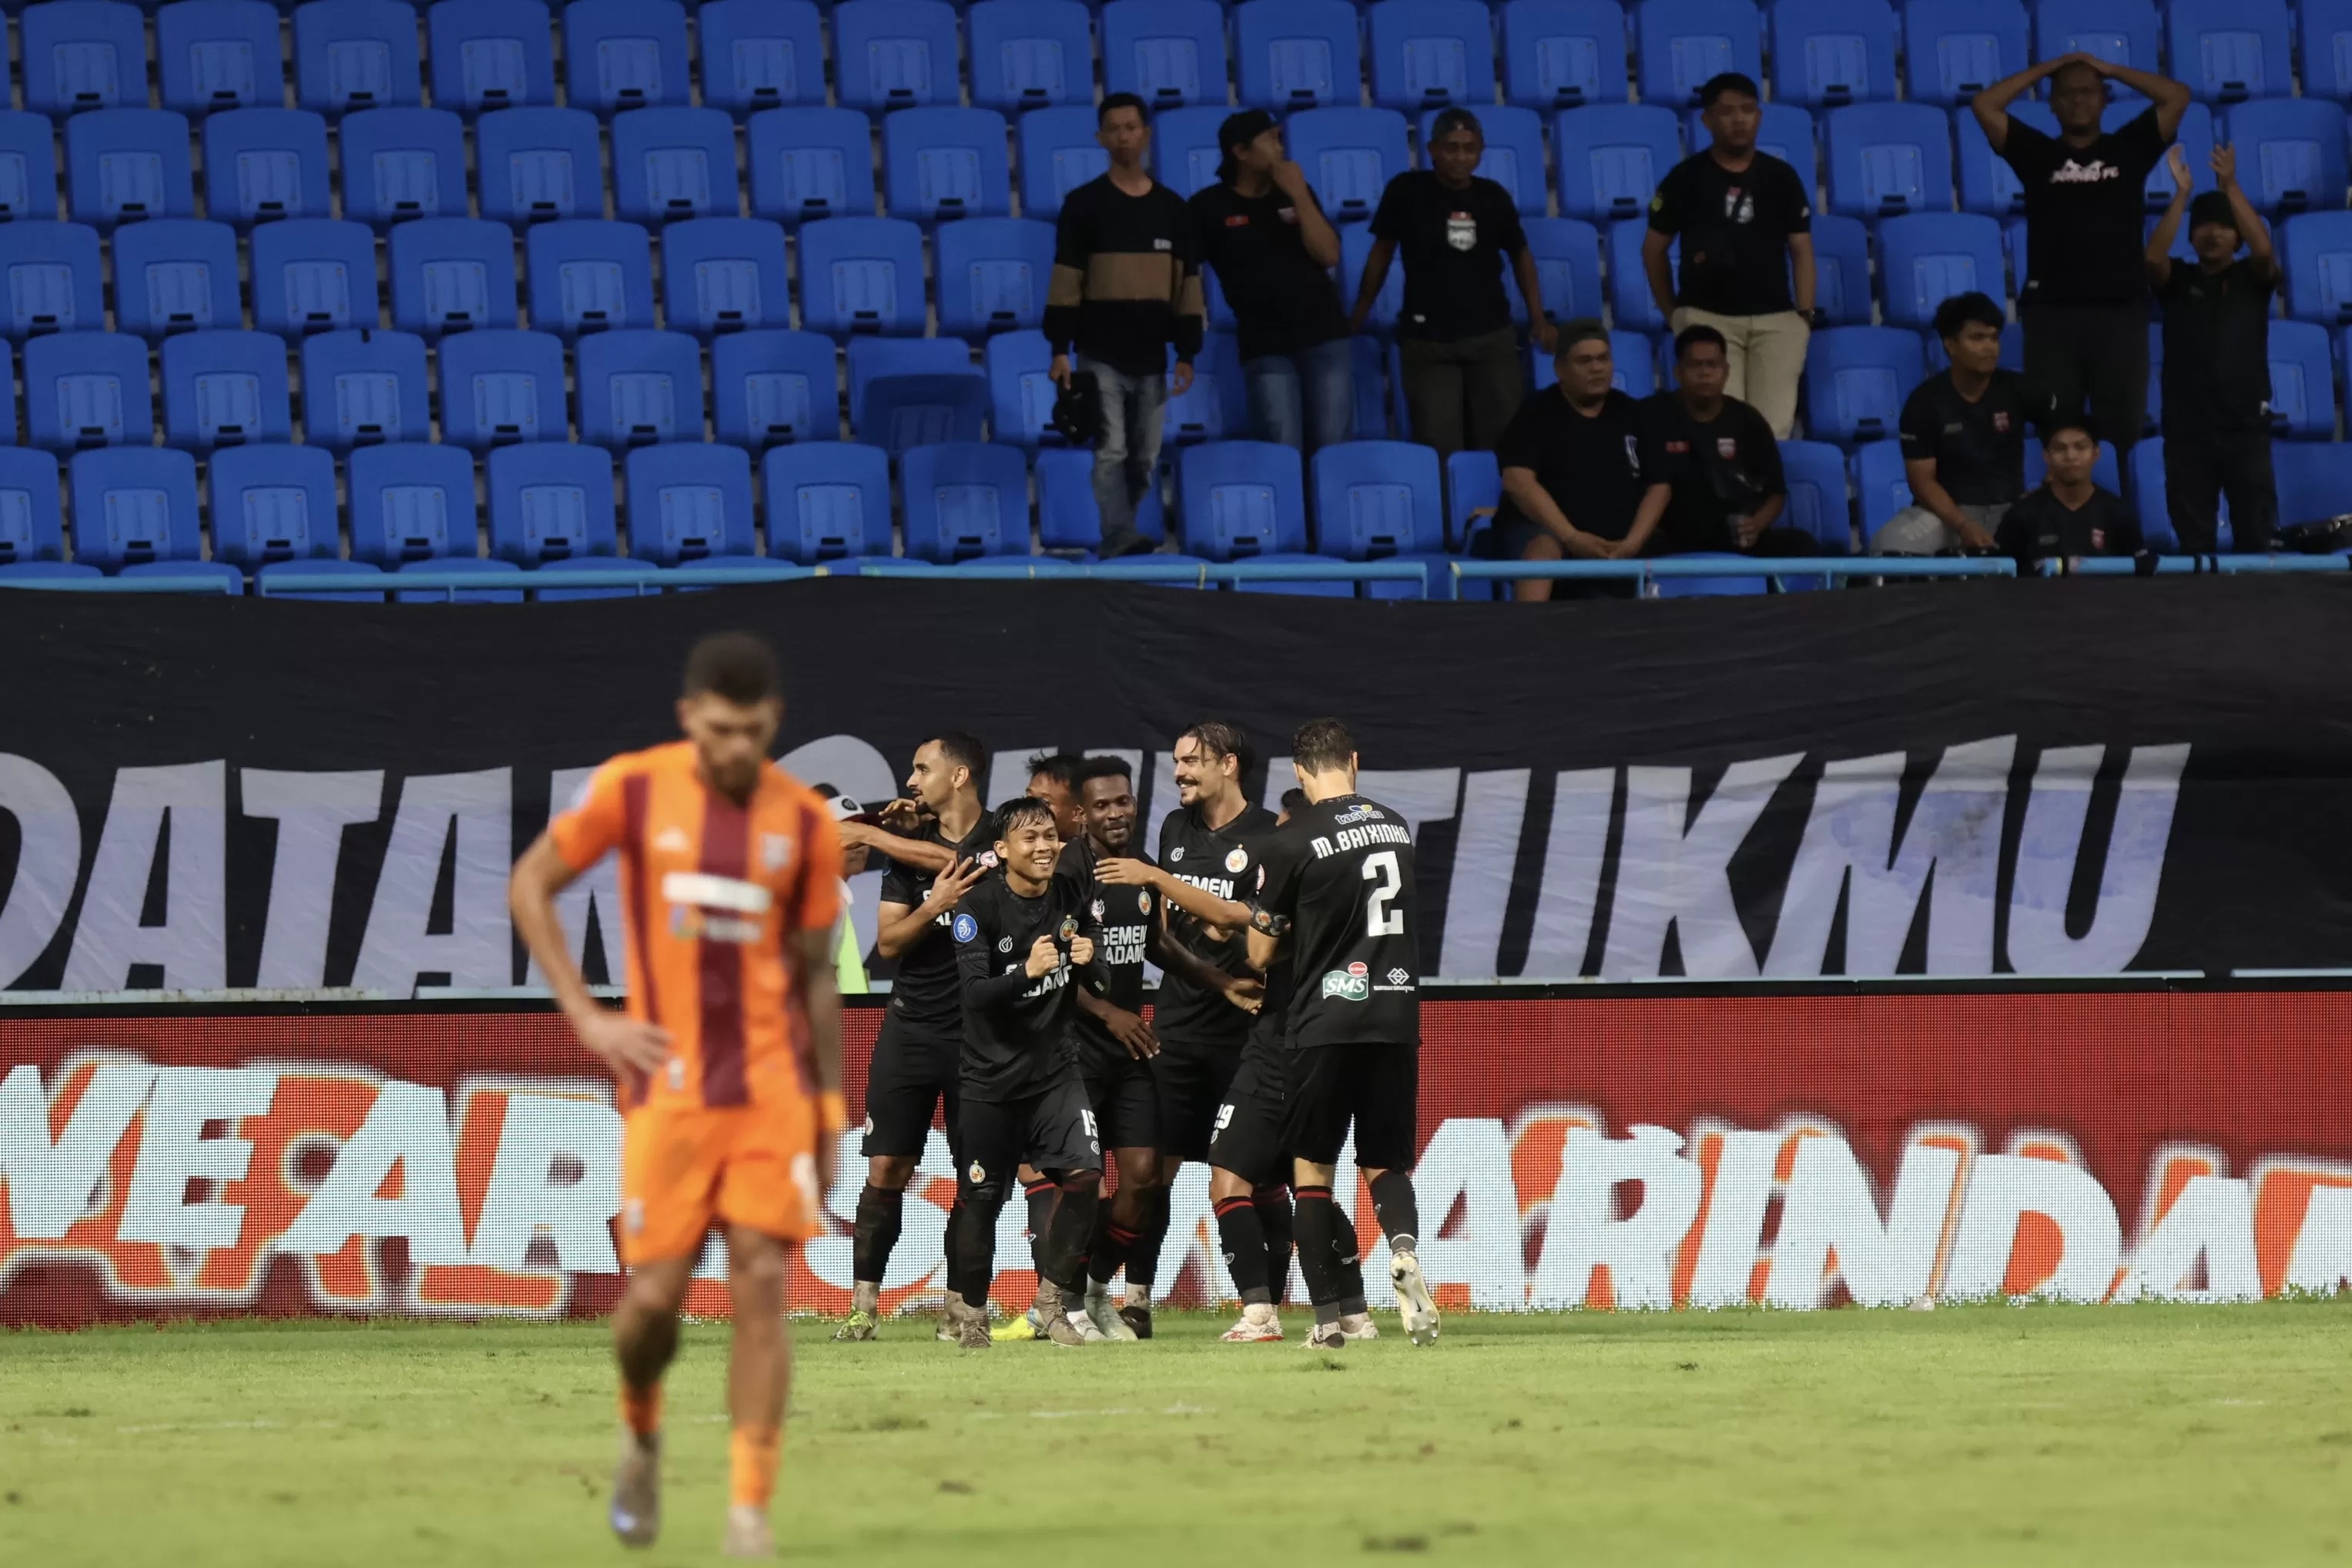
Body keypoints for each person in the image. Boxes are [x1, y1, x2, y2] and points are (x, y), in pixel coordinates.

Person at [507, 632, 844, 1558]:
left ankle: (748, 1512)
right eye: (720, 728)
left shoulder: (805, 825)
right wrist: (588, 1015)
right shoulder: (633, 786)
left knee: (763, 1282)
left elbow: (817, 974)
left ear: (773, 722)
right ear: (690, 716)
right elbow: (531, 882)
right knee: (653, 1298)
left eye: (753, 730)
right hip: (671, 1093)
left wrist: (827, 1108)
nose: (736, 746)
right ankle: (642, 1428)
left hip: (771, 1089)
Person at [1245, 718, 1437, 1352]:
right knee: (1386, 1161)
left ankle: (1328, 1323)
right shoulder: (1397, 827)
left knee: (1313, 1173)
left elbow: (1259, 951)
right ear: (1353, 761)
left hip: (1323, 1021)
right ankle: (1403, 1248)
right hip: (1394, 1015)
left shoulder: (1293, 838)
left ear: (1300, 772)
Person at [1091, 721, 1276, 1339]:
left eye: (1192, 762)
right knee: (1154, 1175)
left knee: (1258, 1177)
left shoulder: (1272, 835)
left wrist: (1229, 930)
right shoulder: (1175, 829)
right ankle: (1137, 1297)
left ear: (1228, 764)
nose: (1179, 773)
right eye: (1176, 762)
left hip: (1248, 1034)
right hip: (1176, 1029)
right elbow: (1165, 929)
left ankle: (1270, 1302)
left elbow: (1256, 928)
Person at [833, 734, 991, 1343]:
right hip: (913, 1028)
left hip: (981, 1036)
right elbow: (893, 944)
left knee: (975, 1174)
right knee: (886, 1167)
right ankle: (862, 1308)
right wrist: (934, 906)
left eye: (923, 768)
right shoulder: (910, 852)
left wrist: (871, 835)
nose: (911, 777)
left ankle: (961, 1310)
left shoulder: (1003, 832)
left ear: (959, 776)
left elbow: (979, 864)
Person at [945, 797, 1112, 1349]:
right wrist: (1025, 972)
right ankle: (970, 1317)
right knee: (982, 1200)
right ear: (1001, 850)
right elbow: (974, 996)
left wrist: (1093, 960)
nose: (1044, 847)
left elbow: (1102, 974)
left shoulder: (1070, 893)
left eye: (1050, 836)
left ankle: (1051, 1306)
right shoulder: (978, 909)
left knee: (1087, 1178)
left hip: (1056, 1074)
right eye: (1029, 839)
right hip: (990, 1082)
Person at [1974, 52, 2190, 457]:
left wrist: (2110, 69)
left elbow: (2177, 96)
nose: (2078, 100)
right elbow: (1984, 105)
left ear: (2105, 99)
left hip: (2121, 314)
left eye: (2089, 92)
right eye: (2067, 94)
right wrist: (2047, 69)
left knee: (2122, 435)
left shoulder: (2130, 147)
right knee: (2057, 435)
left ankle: (2120, 517)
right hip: (2052, 317)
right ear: (2052, 104)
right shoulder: (2036, 153)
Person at [1046, 93, 1204, 560]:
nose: (1123, 136)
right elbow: (1066, 280)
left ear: (1146, 133)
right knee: (1111, 450)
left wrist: (1188, 352)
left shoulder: (1175, 209)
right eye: (1114, 128)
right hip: (1099, 351)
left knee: (1144, 459)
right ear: (1100, 138)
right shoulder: (1083, 205)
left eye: (1131, 127)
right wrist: (1059, 348)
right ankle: (1117, 535)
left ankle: (1123, 530)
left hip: (1153, 354)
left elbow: (1187, 284)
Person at [1352, 108, 1553, 462]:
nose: (1461, 157)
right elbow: (1380, 256)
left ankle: (1498, 516)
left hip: (1491, 336)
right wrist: (1359, 313)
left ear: (1481, 150)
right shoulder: (1405, 190)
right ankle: (1451, 518)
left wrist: (1538, 318)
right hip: (1428, 343)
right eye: (1451, 147)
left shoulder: (1494, 196)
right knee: (1440, 448)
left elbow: (1522, 257)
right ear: (1431, 149)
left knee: (1504, 448)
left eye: (1469, 148)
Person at [1642, 72, 1816, 440]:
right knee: (1720, 429)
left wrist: (1804, 314)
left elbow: (1801, 248)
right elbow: (1653, 249)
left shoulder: (1781, 176)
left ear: (1760, 116)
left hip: (1777, 320)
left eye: (1748, 110)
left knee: (1774, 431)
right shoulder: (1685, 178)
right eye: (1727, 111)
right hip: (1708, 318)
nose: (1740, 119)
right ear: (1706, 120)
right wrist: (1673, 314)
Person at [1060, 756, 1161, 1341]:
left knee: (1145, 1177)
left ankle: (1097, 1291)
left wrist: (1222, 981)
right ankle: (1065, 1303)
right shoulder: (1068, 872)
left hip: (1130, 1048)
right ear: (1081, 814)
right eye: (1102, 805)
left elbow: (1159, 948)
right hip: (1076, 1050)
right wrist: (1106, 1012)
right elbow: (1048, 966)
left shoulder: (1139, 869)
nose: (1117, 813)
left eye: (1123, 801)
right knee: (1080, 1179)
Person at [1202, 787, 1305, 1344]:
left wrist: (1153, 879)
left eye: (1285, 826)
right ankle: (1351, 1310)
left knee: (1227, 1182)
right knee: (1307, 1185)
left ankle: (1260, 1313)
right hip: (1322, 1044)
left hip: (1276, 1045)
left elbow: (1253, 943)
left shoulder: (1292, 871)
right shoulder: (1344, 883)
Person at [1189, 109, 1352, 454]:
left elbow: (1329, 255)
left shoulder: (1295, 191)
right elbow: (1185, 271)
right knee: (1281, 448)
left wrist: (1299, 195)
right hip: (1265, 343)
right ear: (1241, 151)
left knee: (1332, 449)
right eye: (1271, 140)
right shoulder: (1208, 206)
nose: (1280, 148)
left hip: (1324, 336)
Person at [2149, 142, 2277, 554]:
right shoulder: (2179, 281)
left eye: (2223, 226)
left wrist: (2230, 186)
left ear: (2236, 235)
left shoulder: (2253, 280)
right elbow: (2153, 259)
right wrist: (2182, 195)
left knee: (2256, 540)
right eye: (2203, 225)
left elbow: (2263, 249)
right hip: (2188, 431)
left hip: (2245, 429)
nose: (2212, 232)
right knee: (2194, 545)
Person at [1486, 319, 1648, 599]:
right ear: (1560, 369)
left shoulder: (1634, 414)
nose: (1596, 368)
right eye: (1584, 361)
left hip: (1619, 536)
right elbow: (1517, 480)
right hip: (1550, 532)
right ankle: (1530, 638)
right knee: (1542, 551)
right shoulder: (1535, 413)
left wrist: (1633, 541)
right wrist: (1570, 536)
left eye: (1603, 359)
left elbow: (1660, 485)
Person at [1610, 325, 1804, 560]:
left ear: (1726, 372)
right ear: (1678, 373)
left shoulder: (1748, 420)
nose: (1705, 372)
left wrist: (1756, 525)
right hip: (1669, 537)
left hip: (1733, 537)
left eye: (1713, 365)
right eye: (1695, 365)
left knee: (1804, 546)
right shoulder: (1650, 414)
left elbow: (1776, 493)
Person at [1874, 292, 2046, 554]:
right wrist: (1963, 525)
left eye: (1994, 338)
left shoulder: (2017, 389)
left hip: (2011, 509)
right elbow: (1922, 482)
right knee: (1889, 546)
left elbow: (2068, 434)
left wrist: (2047, 489)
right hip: (1949, 515)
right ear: (1950, 345)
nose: (1989, 348)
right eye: (1977, 338)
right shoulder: (1924, 402)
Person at [1997, 417, 2144, 568]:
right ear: (2046, 456)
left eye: (2080, 447)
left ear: (2096, 453)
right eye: (2060, 449)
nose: (2070, 456)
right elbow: (2000, 574)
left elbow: (2139, 575)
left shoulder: (2119, 513)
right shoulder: (2022, 514)